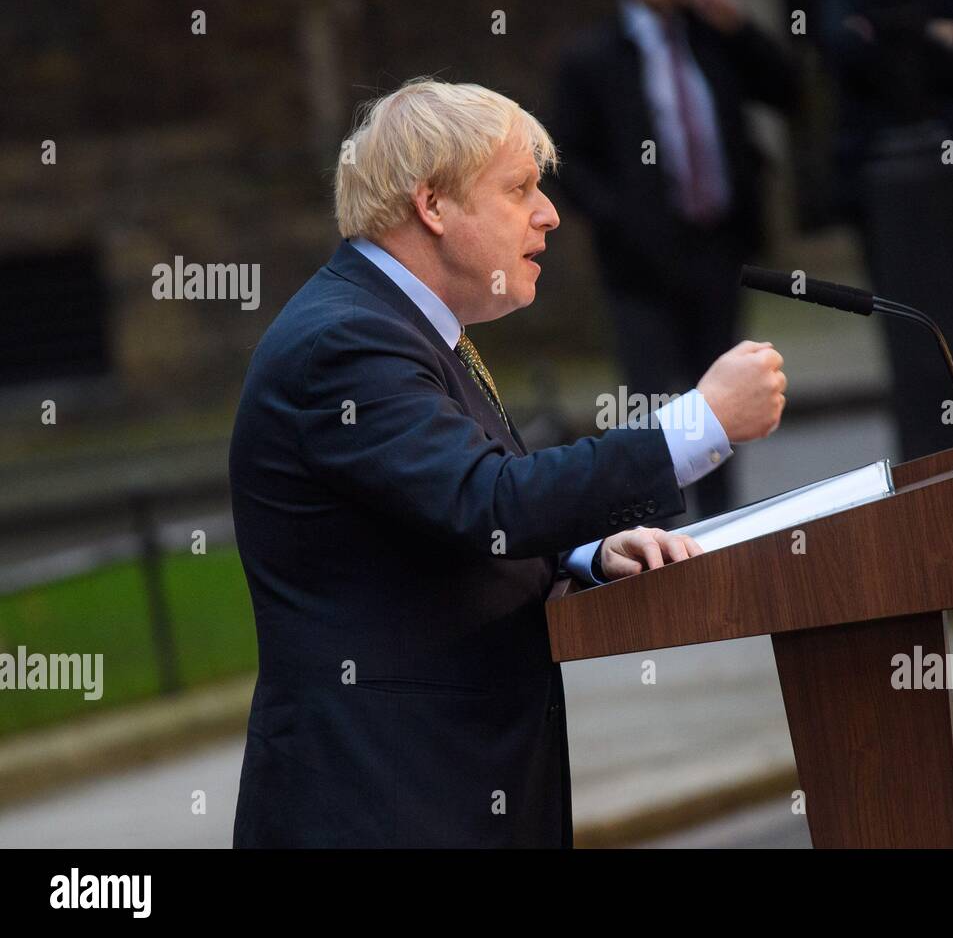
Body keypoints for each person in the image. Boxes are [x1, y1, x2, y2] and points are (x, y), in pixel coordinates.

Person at [228, 79, 787, 847]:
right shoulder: (346, 343)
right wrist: (698, 423)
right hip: (384, 804)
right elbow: (485, 501)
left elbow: (440, 514)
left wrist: (583, 553)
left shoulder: (401, 323)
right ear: (433, 206)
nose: (550, 213)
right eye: (519, 188)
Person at [550, 0, 798, 516]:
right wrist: (622, 220)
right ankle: (660, 530)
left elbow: (790, 92)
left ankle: (722, 527)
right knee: (653, 403)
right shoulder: (593, 55)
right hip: (639, 263)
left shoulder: (716, 38)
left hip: (719, 247)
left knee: (724, 395)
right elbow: (568, 161)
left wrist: (743, 29)